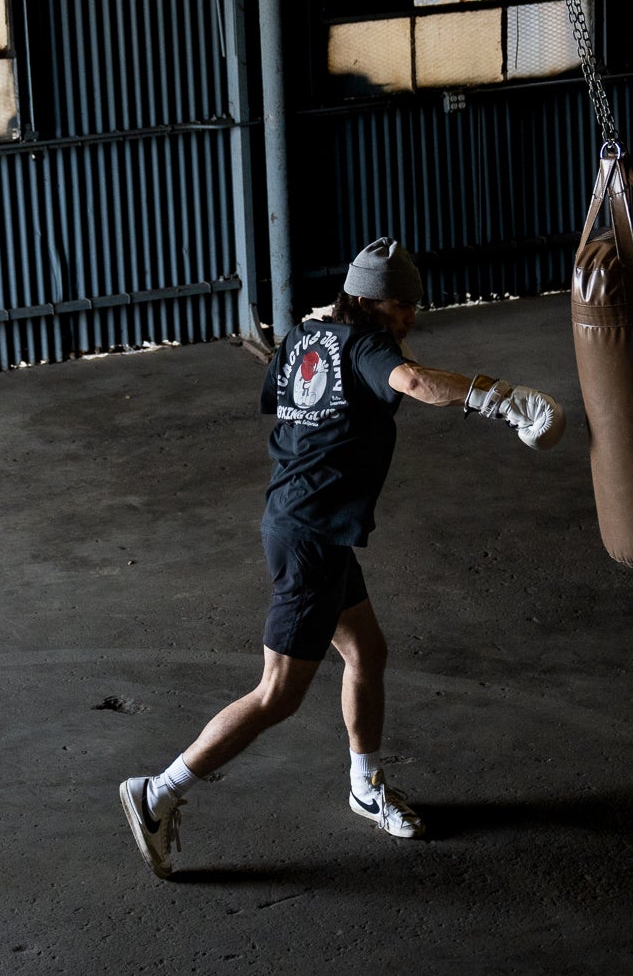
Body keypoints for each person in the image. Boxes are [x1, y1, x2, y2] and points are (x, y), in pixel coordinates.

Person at [118, 236, 564, 880]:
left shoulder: (308, 336)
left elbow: (290, 391)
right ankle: (159, 791)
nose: (410, 316)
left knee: (366, 652)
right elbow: (409, 380)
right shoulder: (370, 344)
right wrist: (501, 398)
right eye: (399, 305)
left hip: (301, 519)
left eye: (413, 304)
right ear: (364, 300)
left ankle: (364, 783)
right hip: (311, 533)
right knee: (278, 693)